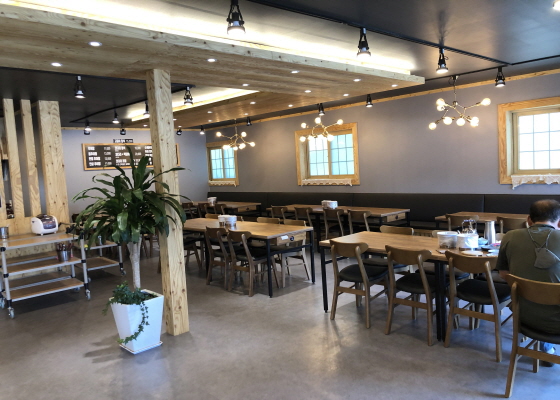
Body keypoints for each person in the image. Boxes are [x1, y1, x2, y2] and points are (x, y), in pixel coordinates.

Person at [498, 199, 560, 367]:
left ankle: (545, 347)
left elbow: (503, 274)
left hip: (523, 317)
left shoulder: (510, 236)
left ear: (529, 220)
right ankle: (547, 348)